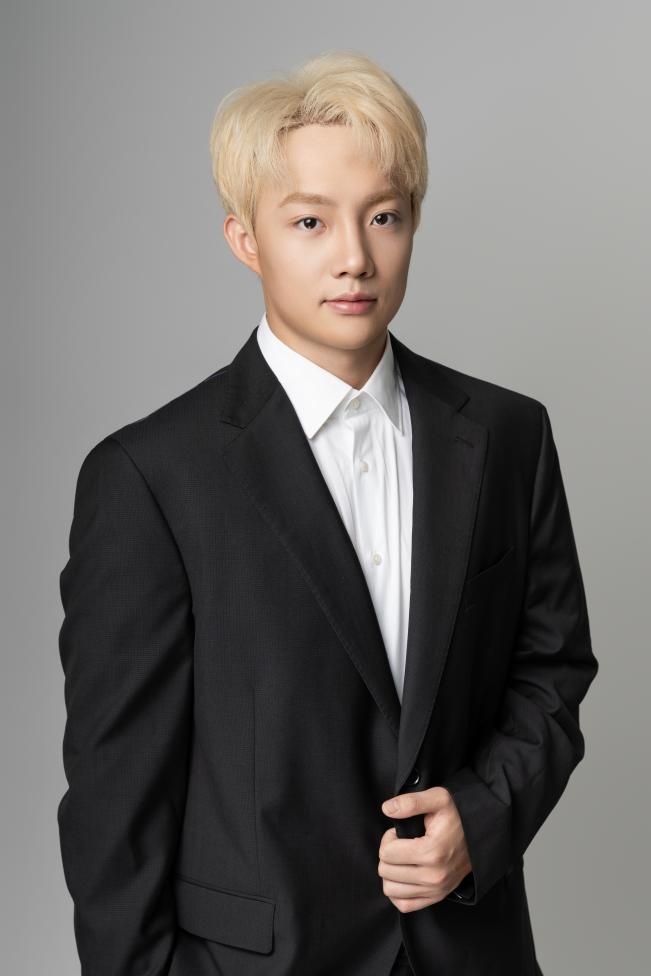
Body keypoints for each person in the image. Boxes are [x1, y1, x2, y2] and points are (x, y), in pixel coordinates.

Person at [57, 50, 598, 976]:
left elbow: (551, 672)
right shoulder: (149, 478)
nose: (354, 256)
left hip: (470, 951)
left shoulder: (508, 436)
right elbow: (116, 805)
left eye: (383, 217)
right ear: (245, 240)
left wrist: (479, 817)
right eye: (309, 221)